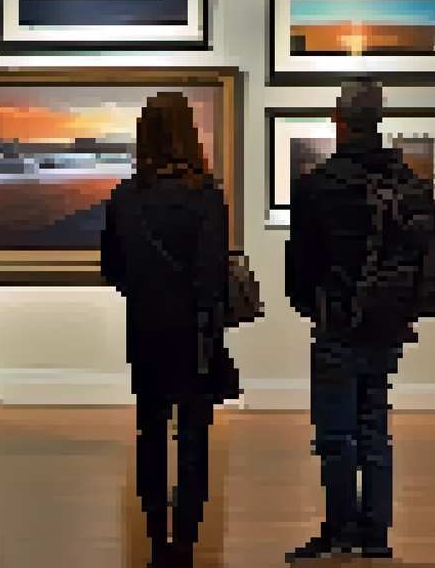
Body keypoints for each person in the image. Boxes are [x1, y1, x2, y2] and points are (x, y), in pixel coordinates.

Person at [284, 78, 435, 563]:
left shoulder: (318, 186)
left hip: (336, 323)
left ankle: (339, 533)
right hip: (388, 323)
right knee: (374, 426)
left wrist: (316, 307)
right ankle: (374, 535)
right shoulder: (411, 184)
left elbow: (299, 270)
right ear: (379, 119)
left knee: (336, 435)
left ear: (339, 118)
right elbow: (427, 257)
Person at [101, 92, 240, 568]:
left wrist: (146, 293)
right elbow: (210, 275)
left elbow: (111, 268)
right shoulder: (206, 196)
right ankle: (184, 543)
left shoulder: (124, 197)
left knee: (150, 433)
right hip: (195, 332)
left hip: (145, 328)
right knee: (194, 440)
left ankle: (155, 538)